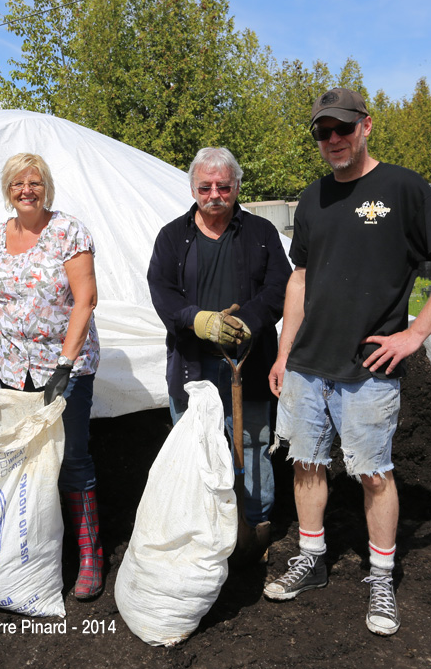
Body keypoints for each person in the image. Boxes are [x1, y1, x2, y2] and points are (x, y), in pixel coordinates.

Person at [264, 88, 431, 636]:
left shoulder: (403, 188)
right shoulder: (313, 199)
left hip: (368, 368)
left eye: (342, 128)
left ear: (366, 126)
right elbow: (301, 277)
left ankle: (381, 575)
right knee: (307, 463)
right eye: (322, 131)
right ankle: (312, 560)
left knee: (373, 474)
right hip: (309, 363)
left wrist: (414, 333)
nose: (332, 139)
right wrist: (285, 350)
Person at [0, 153, 103, 600]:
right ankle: (30, 552)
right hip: (11, 369)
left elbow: (85, 300)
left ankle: (89, 555)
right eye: (18, 184)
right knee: (23, 463)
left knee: (73, 458)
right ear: (7, 190)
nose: (27, 190)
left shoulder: (68, 231)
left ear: (46, 187)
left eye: (35, 183)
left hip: (64, 370)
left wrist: (64, 365)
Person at [147, 146, 291, 561]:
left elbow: (280, 287)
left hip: (248, 362)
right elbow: (162, 291)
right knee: (196, 450)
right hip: (192, 366)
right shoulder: (173, 237)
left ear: (237, 187)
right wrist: (197, 320)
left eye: (223, 186)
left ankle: (255, 526)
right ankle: (204, 530)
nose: (215, 194)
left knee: (251, 444)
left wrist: (248, 319)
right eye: (206, 186)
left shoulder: (260, 234)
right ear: (193, 188)